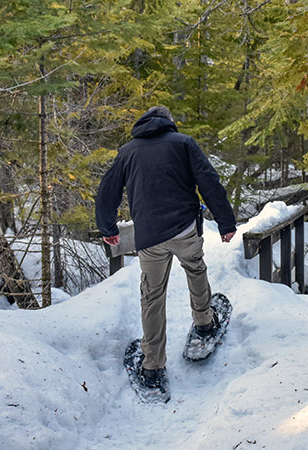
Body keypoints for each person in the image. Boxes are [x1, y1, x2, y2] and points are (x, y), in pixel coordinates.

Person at [95, 106, 236, 398]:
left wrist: (108, 228)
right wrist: (225, 221)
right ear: (169, 121)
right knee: (195, 270)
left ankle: (152, 367)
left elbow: (107, 190)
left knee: (152, 295)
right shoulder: (184, 143)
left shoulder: (128, 151)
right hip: (185, 228)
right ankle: (205, 325)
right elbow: (209, 181)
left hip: (149, 236)